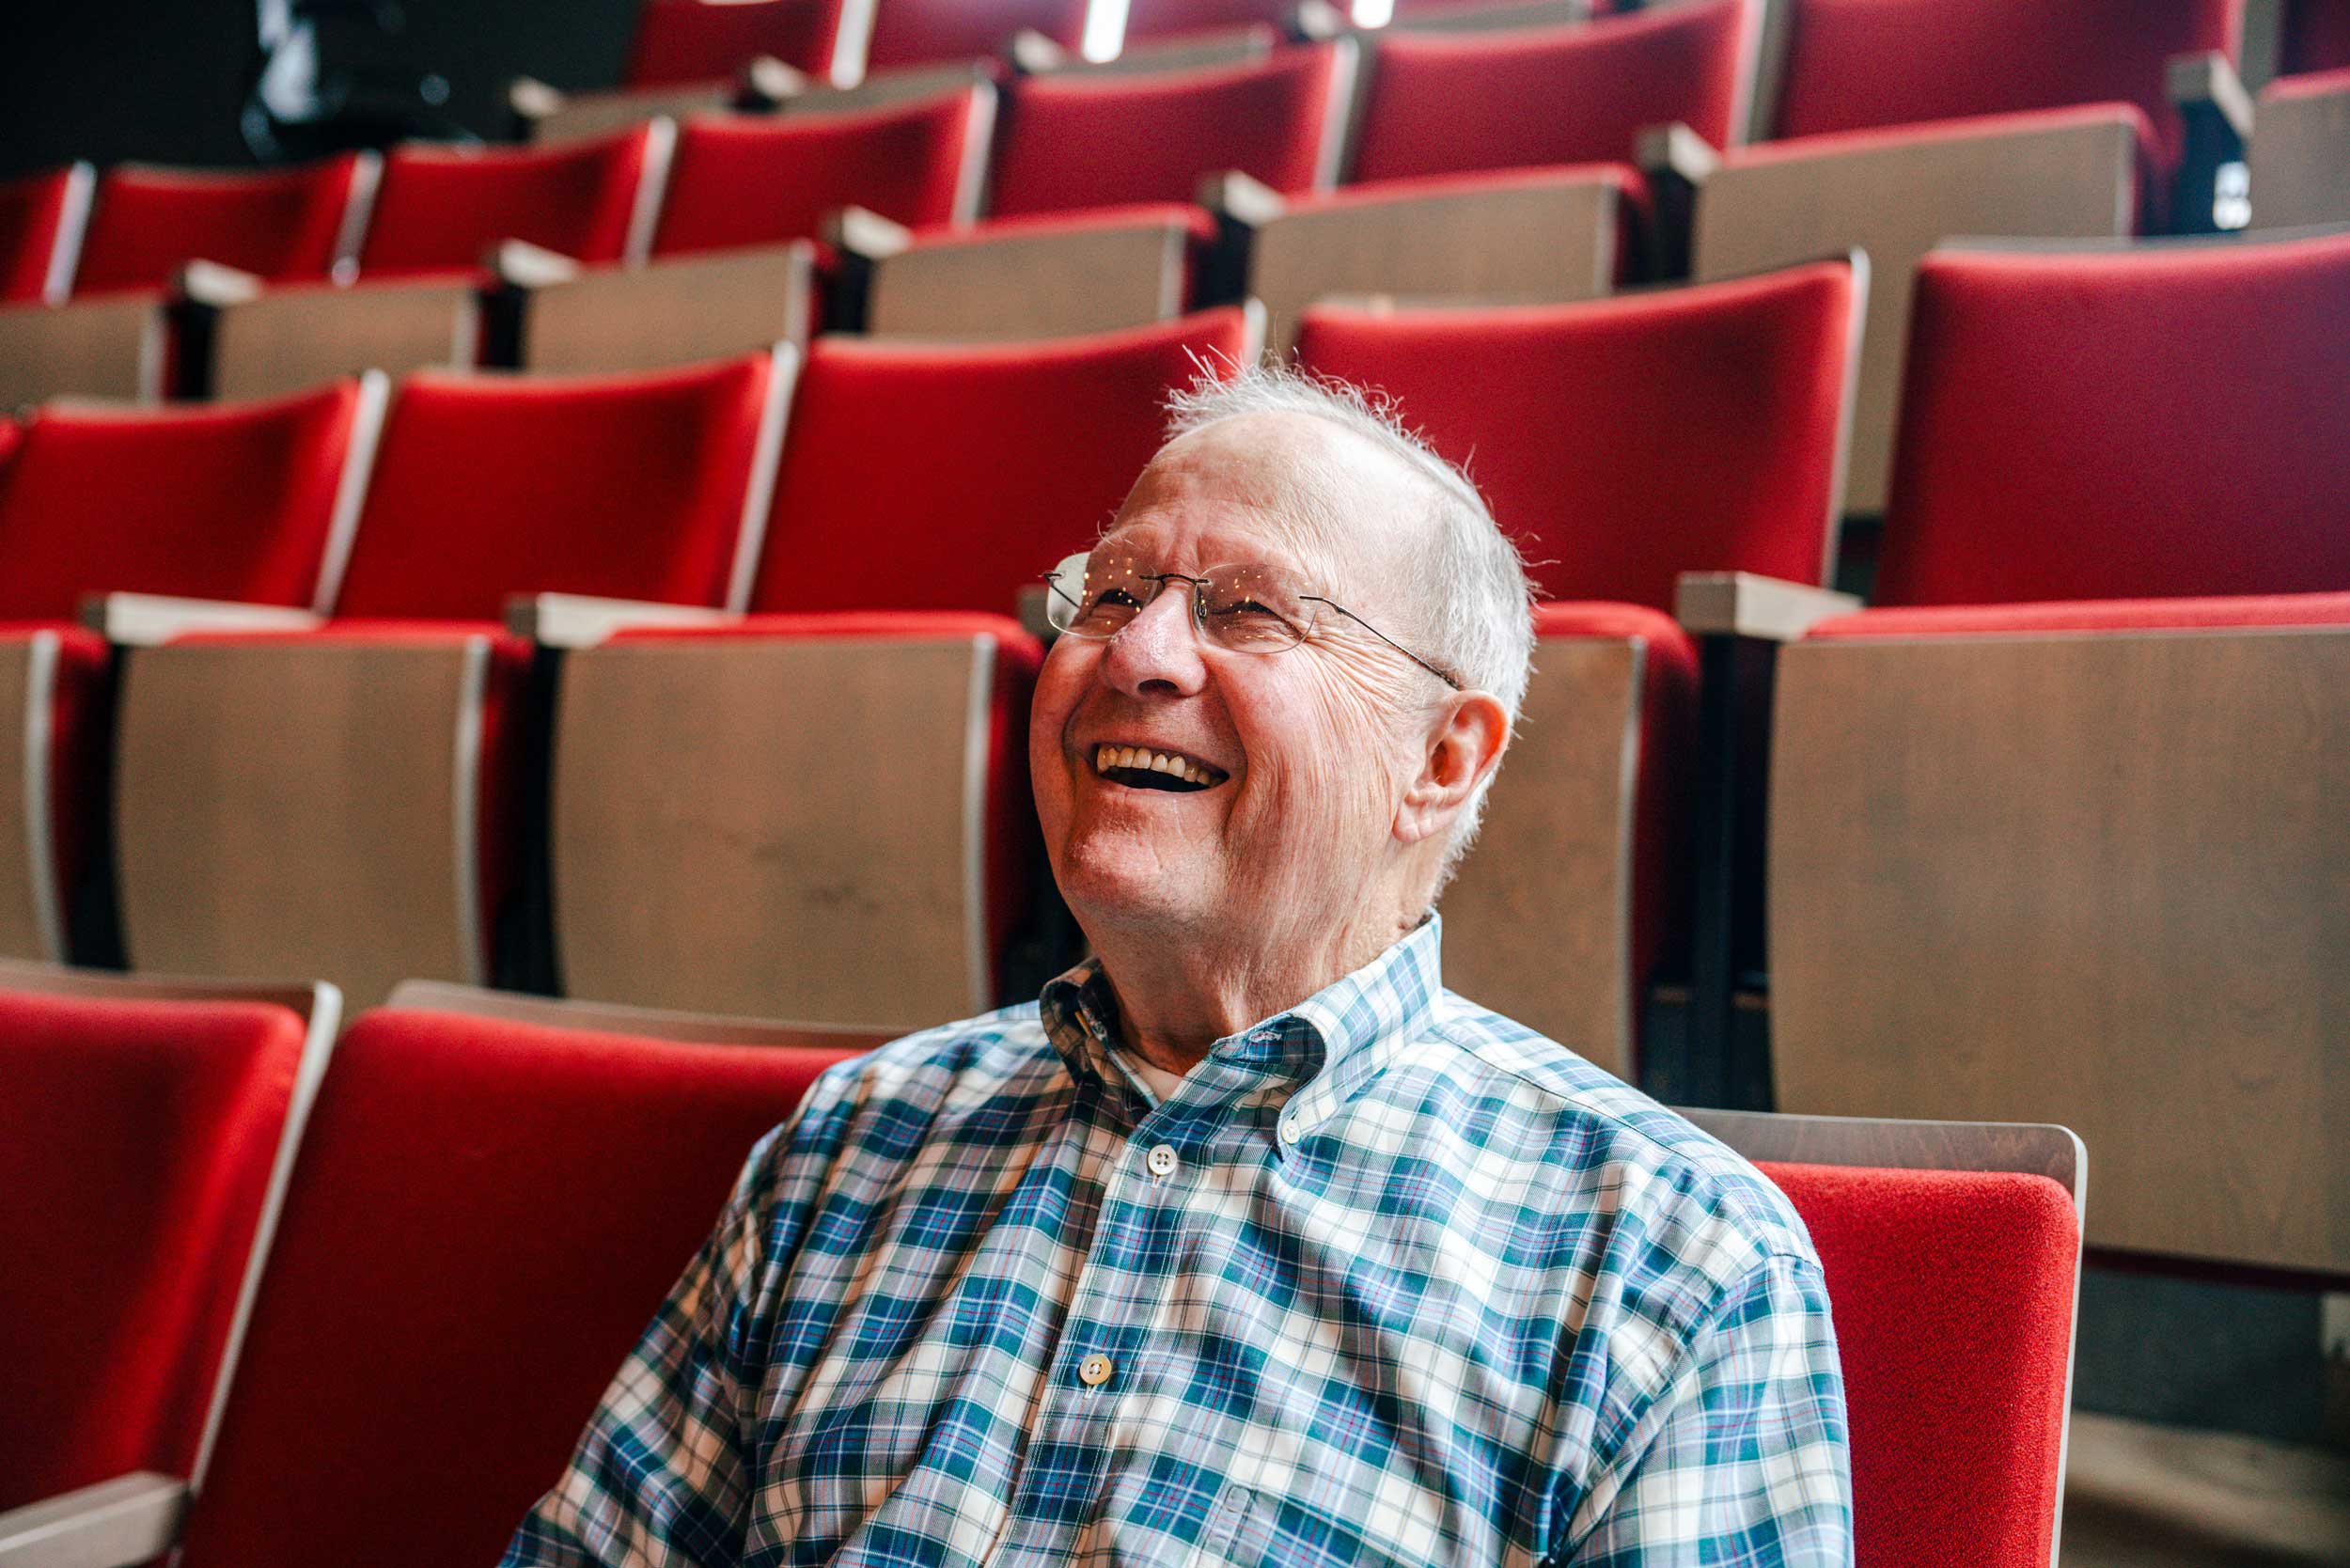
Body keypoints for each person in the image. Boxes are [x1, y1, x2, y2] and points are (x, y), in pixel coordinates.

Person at [503, 368, 1853, 1566]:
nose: (1137, 654)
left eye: (1250, 612)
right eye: (1114, 592)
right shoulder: (849, 1146)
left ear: (1440, 761)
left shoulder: (1670, 1267)